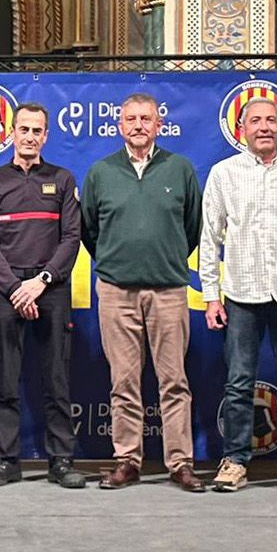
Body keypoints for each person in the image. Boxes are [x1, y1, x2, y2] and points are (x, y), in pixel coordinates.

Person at [200, 97, 277, 494]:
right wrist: (211, 295)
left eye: (271, 120)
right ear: (242, 128)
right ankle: (235, 461)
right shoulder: (224, 174)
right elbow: (210, 237)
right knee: (238, 383)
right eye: (255, 120)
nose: (264, 127)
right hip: (241, 292)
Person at [80, 93, 204, 492]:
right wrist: (120, 261)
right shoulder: (101, 172)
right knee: (124, 383)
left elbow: (192, 227)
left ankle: (180, 463)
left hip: (168, 290)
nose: (138, 125)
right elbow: (89, 231)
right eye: (130, 119)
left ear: (158, 125)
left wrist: (161, 258)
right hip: (116, 290)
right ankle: (127, 460)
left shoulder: (180, 169)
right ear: (119, 126)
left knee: (174, 382)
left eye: (145, 119)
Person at [0, 103, 85, 489]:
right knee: (6, 379)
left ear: (46, 136)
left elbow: (72, 238)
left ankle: (61, 461)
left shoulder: (63, 179)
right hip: (8, 290)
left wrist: (42, 281)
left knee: (56, 378)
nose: (30, 137)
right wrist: (14, 286)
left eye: (38, 130)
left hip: (50, 289)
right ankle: (7, 461)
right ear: (11, 132)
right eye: (24, 129)